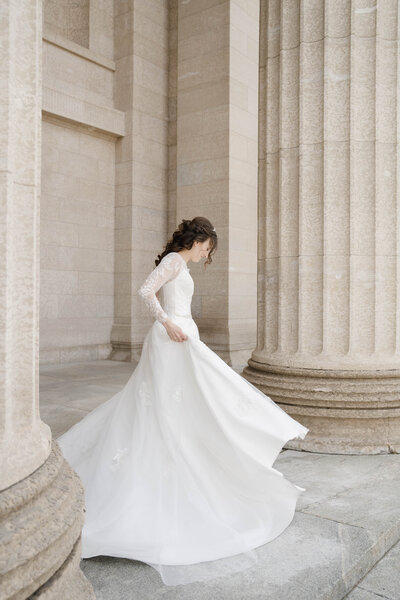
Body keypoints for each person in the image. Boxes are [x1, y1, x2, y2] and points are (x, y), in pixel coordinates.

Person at [56, 216, 309, 586]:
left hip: (181, 337)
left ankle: (240, 436)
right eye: (207, 247)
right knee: (173, 402)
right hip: (171, 339)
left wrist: (180, 325)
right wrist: (168, 324)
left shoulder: (180, 263)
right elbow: (145, 291)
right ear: (198, 240)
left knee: (192, 397)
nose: (207, 254)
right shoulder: (175, 260)